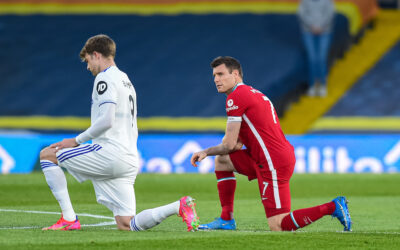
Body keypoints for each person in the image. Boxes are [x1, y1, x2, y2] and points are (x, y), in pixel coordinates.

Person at [39, 34, 199, 232]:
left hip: (109, 153)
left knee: (48, 155)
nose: (88, 67)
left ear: (96, 55)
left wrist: (76, 140)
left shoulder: (104, 78)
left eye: (88, 61)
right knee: (126, 224)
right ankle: (178, 206)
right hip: (129, 158)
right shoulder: (125, 79)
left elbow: (106, 120)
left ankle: (69, 218)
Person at [190, 56, 351, 231]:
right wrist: (223, 148)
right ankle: (226, 219)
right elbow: (235, 145)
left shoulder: (235, 97)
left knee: (279, 225)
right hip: (267, 156)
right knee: (222, 161)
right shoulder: (253, 93)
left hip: (272, 161)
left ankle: (333, 207)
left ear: (235, 74)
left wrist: (205, 151)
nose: (216, 79)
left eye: (220, 74)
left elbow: (229, 145)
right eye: (214, 75)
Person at [298, 0, 335, 97]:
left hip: (324, 31)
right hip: (308, 31)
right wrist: (312, 26)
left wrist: (321, 26)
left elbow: (329, 13)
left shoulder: (327, 1)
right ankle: (312, 85)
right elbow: (302, 13)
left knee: (321, 58)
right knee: (312, 58)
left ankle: (322, 84)